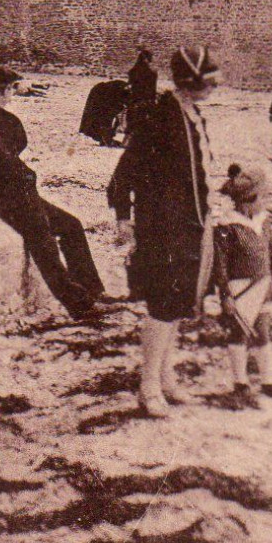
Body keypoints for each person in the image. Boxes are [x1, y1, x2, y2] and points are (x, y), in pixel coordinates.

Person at [109, 46, 221, 418]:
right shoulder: (160, 117)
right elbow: (125, 171)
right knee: (162, 305)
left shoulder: (193, 115)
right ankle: (148, 387)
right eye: (208, 81)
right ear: (191, 83)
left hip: (191, 224)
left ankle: (166, 377)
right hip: (163, 225)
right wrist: (124, 216)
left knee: (177, 304)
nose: (214, 87)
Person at [0, 63, 108, 319]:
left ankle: (93, 291)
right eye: (11, 88)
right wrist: (25, 176)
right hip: (2, 192)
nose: (13, 94)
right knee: (42, 237)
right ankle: (78, 303)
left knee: (71, 225)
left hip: (15, 187)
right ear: (5, 90)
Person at [207, 164, 272, 403]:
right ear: (250, 200)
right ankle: (240, 382)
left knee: (263, 332)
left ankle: (268, 380)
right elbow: (220, 265)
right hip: (240, 289)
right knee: (238, 333)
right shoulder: (226, 227)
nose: (265, 201)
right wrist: (226, 295)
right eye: (263, 197)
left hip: (264, 284)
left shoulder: (264, 220)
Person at [78, 77, 129, 147]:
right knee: (101, 116)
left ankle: (105, 139)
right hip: (106, 93)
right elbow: (107, 118)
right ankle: (105, 139)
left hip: (108, 93)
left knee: (100, 117)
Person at [125, 50, 158, 137]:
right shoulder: (152, 73)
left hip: (134, 99)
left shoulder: (133, 71)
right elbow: (152, 89)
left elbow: (130, 84)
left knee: (132, 120)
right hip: (146, 100)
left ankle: (128, 139)